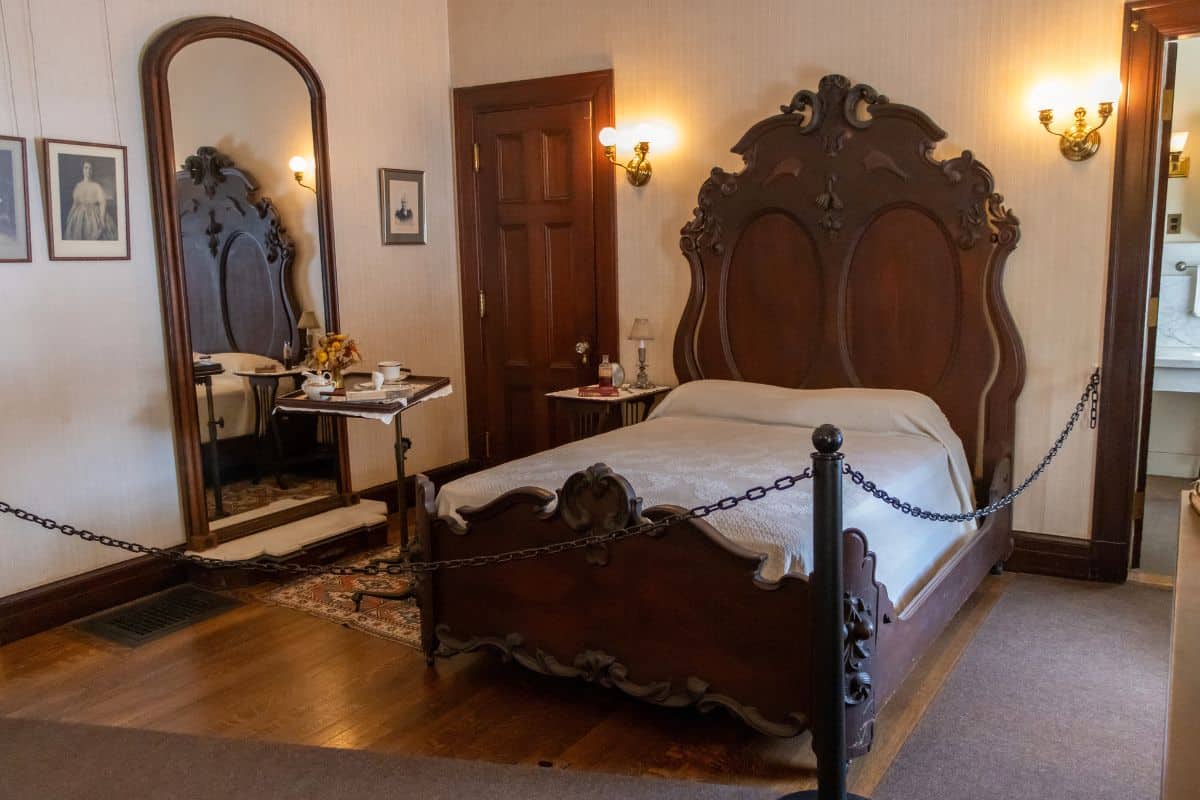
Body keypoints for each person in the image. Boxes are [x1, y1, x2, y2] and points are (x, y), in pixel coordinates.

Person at [63, 160, 116, 240]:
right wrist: (70, 216)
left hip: (94, 215)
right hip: (79, 216)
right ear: (82, 170)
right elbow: (75, 203)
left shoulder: (96, 186)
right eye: (86, 168)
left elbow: (102, 203)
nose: (88, 170)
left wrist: (102, 218)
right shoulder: (78, 186)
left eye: (90, 168)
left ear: (92, 171)